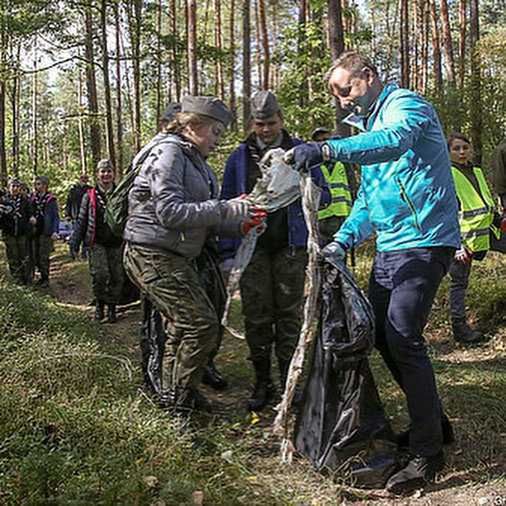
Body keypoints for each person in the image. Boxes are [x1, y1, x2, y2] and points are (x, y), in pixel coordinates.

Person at [285, 51, 460, 492]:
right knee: (381, 336)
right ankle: (434, 425)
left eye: (346, 90)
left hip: (424, 243)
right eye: (337, 97)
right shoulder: (368, 130)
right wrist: (342, 241)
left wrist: (327, 149)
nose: (343, 103)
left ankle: (427, 452)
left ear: (369, 76)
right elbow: (368, 201)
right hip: (389, 248)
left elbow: (397, 140)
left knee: (403, 335)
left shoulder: (407, 107)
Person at [123, 96, 262, 412]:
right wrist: (225, 207)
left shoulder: (194, 159)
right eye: (215, 131)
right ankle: (179, 400)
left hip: (173, 254)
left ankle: (175, 396)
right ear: (193, 125)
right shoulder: (169, 152)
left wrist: (239, 224)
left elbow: (201, 220)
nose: (217, 140)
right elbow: (170, 213)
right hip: (152, 254)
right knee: (200, 325)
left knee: (183, 326)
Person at [220, 90, 330, 412]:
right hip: (252, 249)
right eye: (259, 123)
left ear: (281, 120)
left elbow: (321, 196)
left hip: (290, 248)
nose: (265, 129)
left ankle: (289, 381)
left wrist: (300, 186)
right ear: (252, 123)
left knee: (289, 316)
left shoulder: (301, 151)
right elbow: (226, 205)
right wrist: (227, 252)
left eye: (270, 123)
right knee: (256, 316)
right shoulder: (239, 157)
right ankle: (261, 381)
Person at [447, 133, 501, 344]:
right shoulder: (447, 175)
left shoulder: (476, 171)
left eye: (465, 148)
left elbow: (485, 201)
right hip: (462, 240)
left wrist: (499, 220)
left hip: (486, 232)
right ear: (449, 152)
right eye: (456, 148)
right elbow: (446, 212)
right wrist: (456, 244)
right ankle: (459, 328)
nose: (462, 152)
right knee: (459, 282)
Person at [72, 159, 125, 323]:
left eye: (109, 171)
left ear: (113, 174)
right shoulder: (89, 196)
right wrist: (75, 242)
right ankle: (100, 305)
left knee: (117, 277)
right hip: (96, 243)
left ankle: (112, 308)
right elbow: (81, 220)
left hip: (117, 243)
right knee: (100, 275)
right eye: (102, 171)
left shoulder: (121, 194)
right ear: (97, 174)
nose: (106, 174)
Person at [311, 127, 355, 245]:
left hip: (341, 214)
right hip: (320, 216)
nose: (323, 143)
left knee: (339, 252)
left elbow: (352, 186)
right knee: (321, 254)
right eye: (319, 141)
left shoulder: (342, 162)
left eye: (326, 139)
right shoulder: (312, 165)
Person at [29, 175, 60, 287]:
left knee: (43, 256)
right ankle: (41, 276)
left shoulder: (51, 199)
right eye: (36, 184)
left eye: (39, 184)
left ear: (45, 185)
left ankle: (45, 278)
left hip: (46, 231)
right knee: (35, 254)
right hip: (35, 231)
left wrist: (55, 231)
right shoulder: (33, 198)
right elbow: (29, 211)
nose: (37, 186)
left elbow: (56, 216)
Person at [0, 179, 31, 284]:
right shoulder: (4, 201)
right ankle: (17, 280)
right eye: (13, 186)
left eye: (17, 186)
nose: (15, 189)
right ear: (9, 188)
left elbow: (30, 214)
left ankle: (27, 279)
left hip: (22, 233)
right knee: (13, 256)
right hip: (9, 233)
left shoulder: (25, 200)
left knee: (24, 255)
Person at [66, 174, 91, 259]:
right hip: (76, 216)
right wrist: (68, 214)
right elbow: (69, 203)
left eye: (85, 178)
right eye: (82, 178)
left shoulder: (90, 189)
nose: (84, 180)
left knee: (86, 236)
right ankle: (73, 251)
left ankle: (85, 253)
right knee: (75, 235)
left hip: (87, 216)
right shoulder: (73, 190)